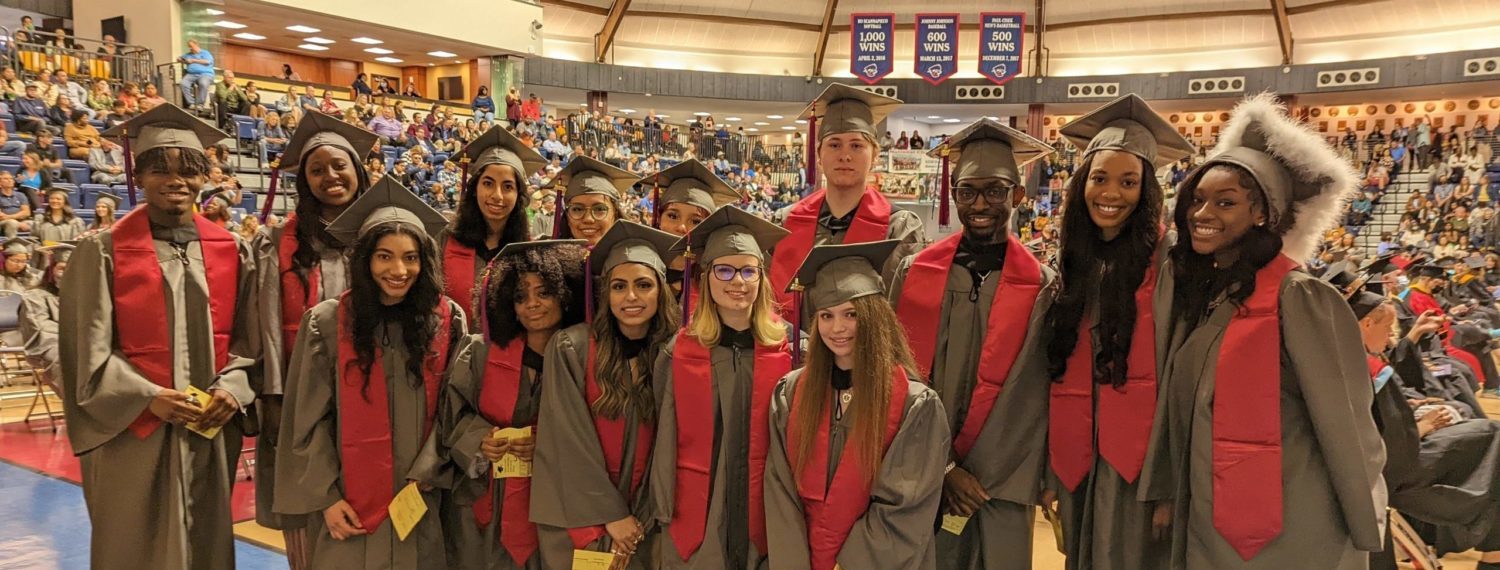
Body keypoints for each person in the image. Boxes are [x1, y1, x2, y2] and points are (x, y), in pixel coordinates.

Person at [1161, 94, 1386, 568]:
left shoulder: (1299, 297)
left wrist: (1363, 525)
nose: (1202, 215)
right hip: (1208, 518)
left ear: (1262, 214)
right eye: (1197, 200)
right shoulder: (1206, 300)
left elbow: (1346, 423)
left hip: (1292, 527)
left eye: (1226, 203)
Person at [63, 104, 255, 569]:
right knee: (135, 541)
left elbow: (251, 341)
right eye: (159, 169)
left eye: (188, 171)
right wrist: (148, 397)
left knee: (207, 538)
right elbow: (84, 352)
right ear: (138, 176)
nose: (176, 181)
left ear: (204, 179)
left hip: (207, 426)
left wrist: (232, 388)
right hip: (133, 428)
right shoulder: (102, 251)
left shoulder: (233, 250)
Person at [886, 119, 1058, 570]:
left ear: (1017, 197)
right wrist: (943, 469)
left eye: (996, 191)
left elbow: (1035, 397)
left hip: (1002, 481)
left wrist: (975, 473)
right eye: (968, 191)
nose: (981, 204)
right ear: (954, 194)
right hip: (924, 472)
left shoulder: (1042, 286)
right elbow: (894, 377)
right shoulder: (913, 275)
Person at [273, 178, 462, 569]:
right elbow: (307, 421)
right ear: (364, 261)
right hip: (349, 508)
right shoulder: (326, 323)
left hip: (423, 497)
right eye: (384, 256)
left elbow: (455, 408)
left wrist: (430, 469)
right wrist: (325, 498)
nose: (399, 269)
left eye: (410, 258)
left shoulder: (447, 319)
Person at [1041, 94, 1194, 570]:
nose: (1111, 193)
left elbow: (1180, 382)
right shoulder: (1072, 265)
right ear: (1081, 183)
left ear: (1146, 191)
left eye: (1129, 182)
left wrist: (1169, 483)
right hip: (1079, 458)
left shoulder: (1171, 265)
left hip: (1140, 469)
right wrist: (1053, 469)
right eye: (1100, 178)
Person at [764, 240, 950, 570]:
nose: (837, 328)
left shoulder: (915, 405)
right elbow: (780, 490)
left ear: (874, 317)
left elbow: (904, 506)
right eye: (826, 315)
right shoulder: (792, 392)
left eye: (851, 314)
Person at [247, 110, 379, 569]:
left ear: (358, 171)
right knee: (309, 514)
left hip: (372, 395)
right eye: (316, 169)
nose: (330, 177)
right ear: (304, 181)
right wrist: (275, 397)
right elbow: (263, 324)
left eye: (338, 165)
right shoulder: (278, 243)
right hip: (303, 399)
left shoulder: (385, 237)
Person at [430, 239, 588, 570]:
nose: (532, 303)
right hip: (485, 503)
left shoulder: (585, 359)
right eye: (519, 296)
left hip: (556, 504)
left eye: (544, 292)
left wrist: (549, 444)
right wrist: (480, 440)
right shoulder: (480, 353)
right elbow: (451, 417)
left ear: (565, 293)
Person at [532, 222, 681, 569]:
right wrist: (611, 514)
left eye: (643, 285)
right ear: (605, 294)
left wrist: (638, 516)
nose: (631, 297)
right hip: (580, 517)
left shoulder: (676, 354)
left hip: (646, 521)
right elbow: (565, 439)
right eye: (619, 286)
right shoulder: (572, 348)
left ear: (661, 291)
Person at [649, 206, 792, 569]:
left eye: (748, 270)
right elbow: (663, 435)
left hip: (769, 509)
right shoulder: (678, 350)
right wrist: (663, 506)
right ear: (705, 277)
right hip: (699, 508)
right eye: (724, 270)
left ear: (762, 277)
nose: (737, 282)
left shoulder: (792, 349)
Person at [767, 84, 926, 322]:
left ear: (874, 156)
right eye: (834, 144)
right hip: (793, 354)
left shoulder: (900, 228)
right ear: (819, 155)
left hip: (869, 356)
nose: (845, 155)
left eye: (856, 145)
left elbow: (903, 312)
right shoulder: (785, 222)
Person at [441, 127, 543, 323]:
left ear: (518, 196)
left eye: (508, 187)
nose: (497, 195)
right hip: (452, 350)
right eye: (488, 183)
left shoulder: (528, 251)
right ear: (474, 189)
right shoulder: (446, 241)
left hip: (509, 351)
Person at [645, 158, 746, 294]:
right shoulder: (638, 269)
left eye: (696, 221)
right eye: (673, 216)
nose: (682, 227)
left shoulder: (718, 283)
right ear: (658, 218)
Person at [546, 155, 637, 246]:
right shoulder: (551, 258)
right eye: (577, 209)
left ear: (615, 213)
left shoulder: (631, 258)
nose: (588, 219)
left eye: (599, 209)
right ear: (567, 217)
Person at [18, 242, 68, 393]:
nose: (67, 273)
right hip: (48, 346)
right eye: (62, 268)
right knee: (66, 357)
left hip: (83, 343)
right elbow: (40, 330)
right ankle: (78, 408)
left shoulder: (88, 295)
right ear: (51, 270)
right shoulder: (35, 296)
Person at [176, 39, 215, 111]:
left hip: (205, 74)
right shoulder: (188, 54)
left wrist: (193, 60)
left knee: (203, 83)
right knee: (183, 83)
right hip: (191, 74)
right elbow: (178, 58)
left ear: (196, 45)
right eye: (189, 47)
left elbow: (207, 62)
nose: (190, 48)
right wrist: (181, 59)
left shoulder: (205, 53)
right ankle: (192, 103)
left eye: (191, 46)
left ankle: (200, 104)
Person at [0, 170, 32, 237]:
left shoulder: (20, 195)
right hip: (3, 223)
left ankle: (35, 245)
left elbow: (26, 212)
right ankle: (12, 244)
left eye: (11, 178)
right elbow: (1, 216)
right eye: (6, 179)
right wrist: (17, 223)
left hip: (21, 221)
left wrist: (16, 221)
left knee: (35, 223)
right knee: (12, 223)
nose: (10, 180)